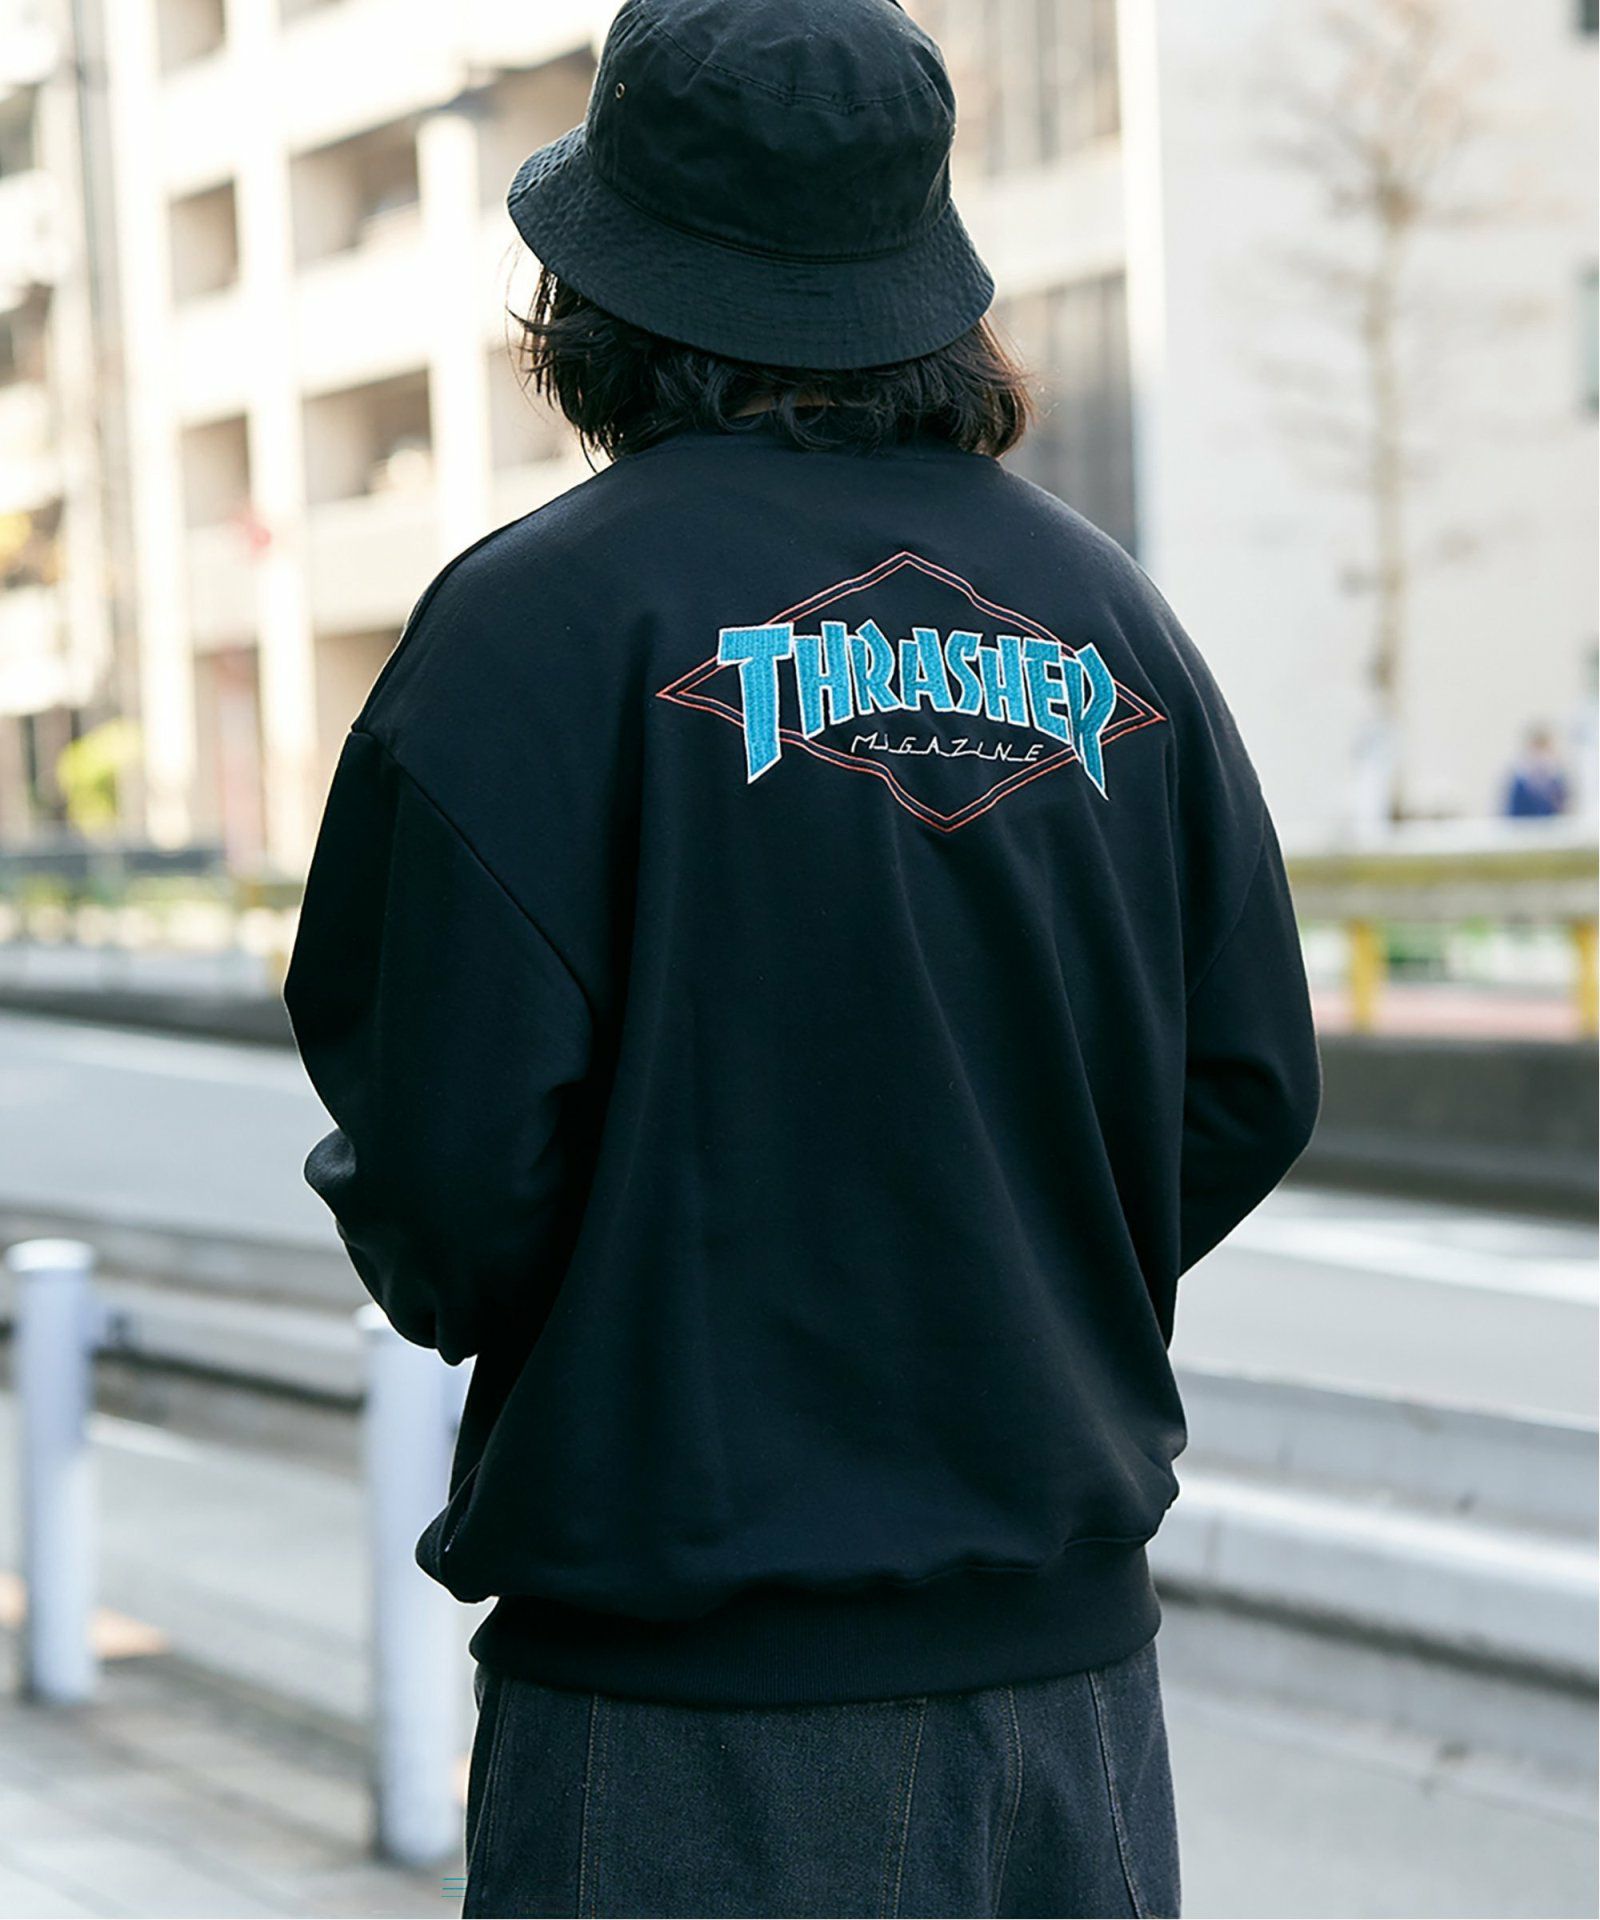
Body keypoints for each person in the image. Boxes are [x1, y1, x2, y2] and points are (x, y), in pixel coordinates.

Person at [283, 2, 1323, 1914]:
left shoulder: (532, 632)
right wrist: (1006, 1271)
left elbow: (448, 1168)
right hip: (1072, 1714)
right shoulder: (1112, 626)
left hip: (687, 1719)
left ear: (599, 294)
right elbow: (1246, 1084)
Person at [1502, 724, 1571, 819]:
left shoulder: (1556, 781)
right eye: (1537, 749)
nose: (1541, 756)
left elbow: (1563, 811)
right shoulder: (1520, 782)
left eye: (1544, 749)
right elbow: (1512, 815)